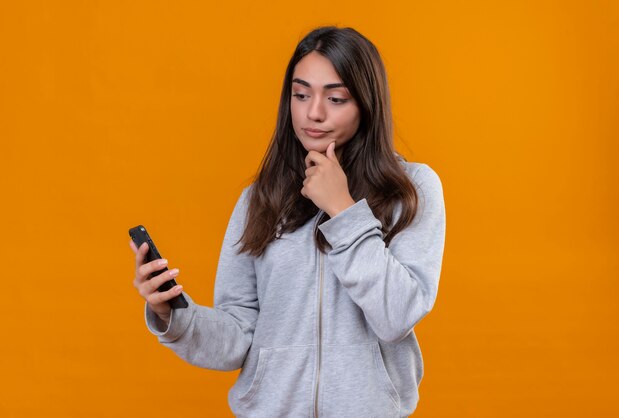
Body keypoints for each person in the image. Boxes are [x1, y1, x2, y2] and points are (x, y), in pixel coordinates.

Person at [130, 25, 446, 418]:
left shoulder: (412, 190)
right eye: (300, 95)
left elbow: (397, 315)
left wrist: (344, 210)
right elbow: (238, 336)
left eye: (336, 98)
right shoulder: (260, 198)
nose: (313, 112)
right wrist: (172, 315)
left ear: (367, 103)